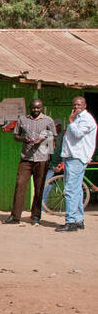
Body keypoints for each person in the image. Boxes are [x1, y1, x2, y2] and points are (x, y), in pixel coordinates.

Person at [5, 98, 56, 225]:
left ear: (42, 108)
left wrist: (43, 139)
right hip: (26, 158)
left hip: (42, 158)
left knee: (39, 188)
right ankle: (15, 216)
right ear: (30, 108)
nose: (36, 110)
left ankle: (35, 216)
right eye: (33, 108)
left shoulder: (48, 120)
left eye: (38, 108)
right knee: (20, 185)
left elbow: (53, 136)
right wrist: (23, 139)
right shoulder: (22, 119)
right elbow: (16, 135)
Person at [54, 96, 95, 232]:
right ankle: (78, 220)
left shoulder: (86, 119)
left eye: (79, 105)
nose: (76, 107)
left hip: (77, 158)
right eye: (74, 105)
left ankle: (71, 221)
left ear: (85, 105)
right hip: (72, 157)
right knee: (76, 191)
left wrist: (71, 121)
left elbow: (77, 134)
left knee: (71, 190)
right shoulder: (78, 118)